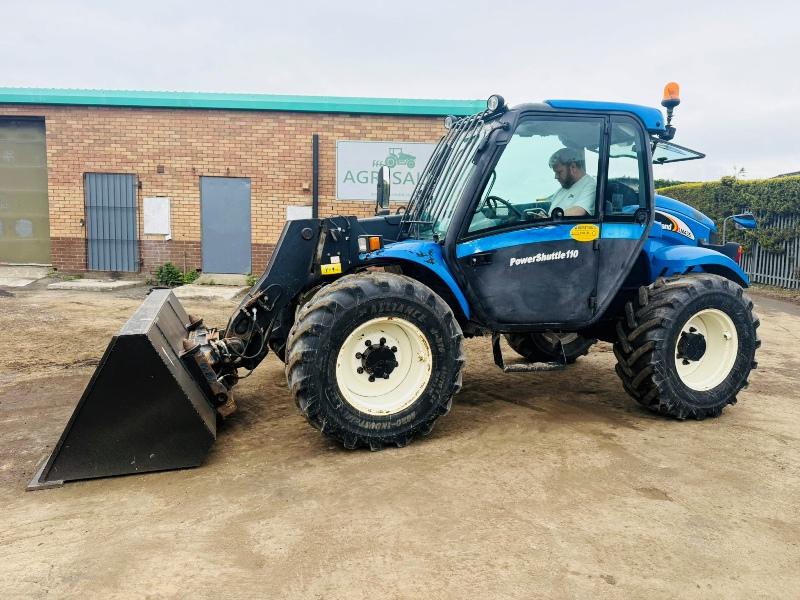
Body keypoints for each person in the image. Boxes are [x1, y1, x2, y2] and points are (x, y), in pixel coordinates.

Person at [547, 147, 596, 217]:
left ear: (573, 167)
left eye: (559, 172)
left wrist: (551, 218)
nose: (556, 177)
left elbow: (579, 211)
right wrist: (544, 218)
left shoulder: (590, 185)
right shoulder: (560, 190)